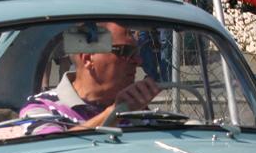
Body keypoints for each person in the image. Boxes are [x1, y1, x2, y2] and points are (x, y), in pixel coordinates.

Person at [20, 23, 160, 134]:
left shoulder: (138, 111)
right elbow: (51, 152)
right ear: (88, 58)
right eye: (126, 52)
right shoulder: (42, 108)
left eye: (136, 53)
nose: (138, 60)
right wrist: (114, 113)